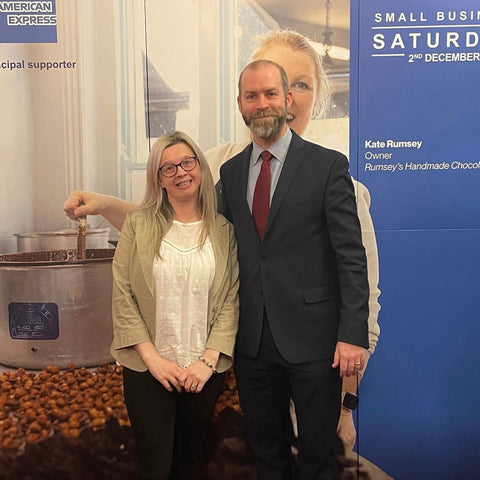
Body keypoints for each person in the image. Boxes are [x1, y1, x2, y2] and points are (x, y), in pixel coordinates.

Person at [63, 30, 380, 450]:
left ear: (301, 95)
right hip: (242, 370)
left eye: (295, 83)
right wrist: (105, 205)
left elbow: (362, 297)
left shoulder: (336, 178)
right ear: (243, 98)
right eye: (256, 89)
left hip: (312, 365)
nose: (270, 98)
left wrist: (346, 405)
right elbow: (169, 228)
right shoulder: (222, 169)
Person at [219, 58, 368, 479]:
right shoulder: (229, 174)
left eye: (270, 93)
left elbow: (351, 257)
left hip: (316, 344)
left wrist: (352, 335)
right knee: (266, 456)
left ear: (288, 100)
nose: (261, 103)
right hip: (252, 343)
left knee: (319, 460)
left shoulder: (328, 166)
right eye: (252, 96)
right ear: (241, 104)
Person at [110, 131, 239, 479]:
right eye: (168, 168)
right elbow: (123, 295)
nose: (180, 172)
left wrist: (207, 362)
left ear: (199, 166)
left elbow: (230, 300)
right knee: (155, 467)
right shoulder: (138, 225)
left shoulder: (225, 231)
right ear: (158, 179)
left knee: (191, 462)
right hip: (148, 370)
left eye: (187, 162)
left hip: (203, 372)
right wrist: (154, 360)